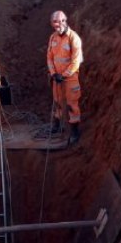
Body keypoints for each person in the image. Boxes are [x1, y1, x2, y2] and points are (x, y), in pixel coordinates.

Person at [47, 10, 83, 144]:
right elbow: (49, 58)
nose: (59, 24)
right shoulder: (52, 38)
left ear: (65, 21)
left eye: (61, 21)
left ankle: (74, 131)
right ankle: (57, 125)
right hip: (57, 78)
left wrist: (64, 75)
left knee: (72, 104)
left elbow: (75, 61)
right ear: (52, 23)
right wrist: (53, 73)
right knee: (57, 101)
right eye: (55, 22)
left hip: (70, 79)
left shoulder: (74, 38)